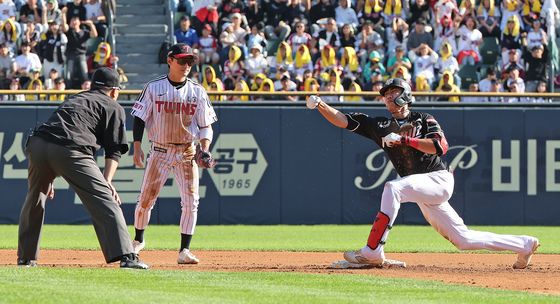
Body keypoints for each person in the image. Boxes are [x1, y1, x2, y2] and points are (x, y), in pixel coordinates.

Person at [305, 78, 540, 269]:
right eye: (385, 94)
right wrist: (320, 105)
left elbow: (441, 147)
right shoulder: (380, 126)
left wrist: (405, 140)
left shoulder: (423, 119)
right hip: (421, 188)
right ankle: (524, 244)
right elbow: (344, 120)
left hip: (438, 179)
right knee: (463, 240)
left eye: (393, 92)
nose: (388, 97)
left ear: (406, 95)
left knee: (393, 188)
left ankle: (373, 250)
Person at [17, 67, 148, 269]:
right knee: (104, 199)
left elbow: (55, 132)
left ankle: (26, 258)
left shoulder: (75, 98)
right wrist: (107, 182)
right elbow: (114, 150)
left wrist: (48, 174)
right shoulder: (113, 105)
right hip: (69, 149)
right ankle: (127, 256)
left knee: (35, 198)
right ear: (114, 91)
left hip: (37, 145)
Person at [130, 43, 218, 264]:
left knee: (191, 201)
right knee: (146, 199)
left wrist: (205, 149)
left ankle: (184, 251)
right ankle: (138, 241)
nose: (186, 65)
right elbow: (139, 117)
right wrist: (137, 146)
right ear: (170, 60)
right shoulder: (153, 87)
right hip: (159, 149)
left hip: (187, 151)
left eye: (190, 61)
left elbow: (206, 125)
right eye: (181, 60)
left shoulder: (197, 91)